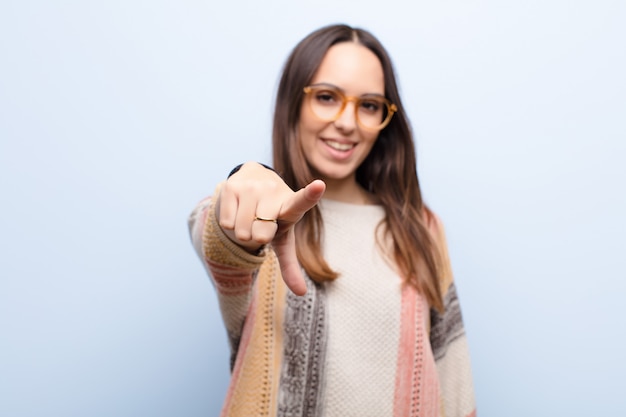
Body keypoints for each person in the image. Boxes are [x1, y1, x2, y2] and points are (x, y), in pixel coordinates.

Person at [188, 24, 476, 417]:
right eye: (326, 97)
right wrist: (246, 178)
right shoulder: (260, 218)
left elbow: (453, 374)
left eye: (369, 105)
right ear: (294, 104)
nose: (347, 122)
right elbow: (218, 235)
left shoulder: (421, 228)